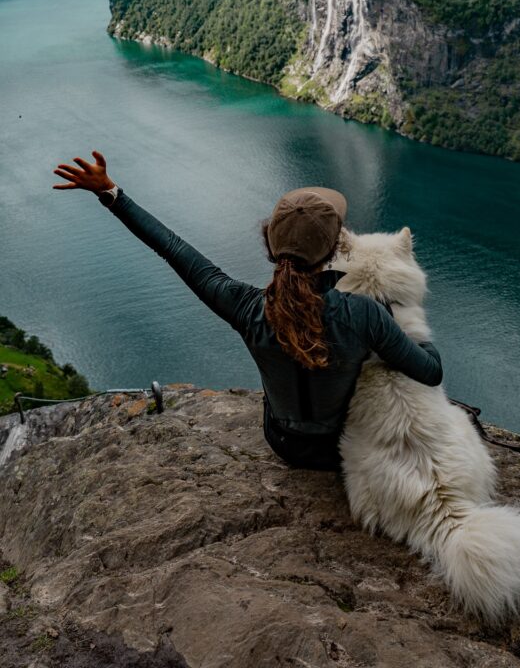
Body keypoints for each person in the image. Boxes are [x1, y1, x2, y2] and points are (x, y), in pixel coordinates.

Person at [53, 151, 443, 471]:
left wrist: (112, 193)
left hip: (284, 444)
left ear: (271, 248)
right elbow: (430, 371)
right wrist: (407, 331)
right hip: (345, 449)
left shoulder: (247, 307)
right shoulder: (363, 313)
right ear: (333, 252)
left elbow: (173, 248)